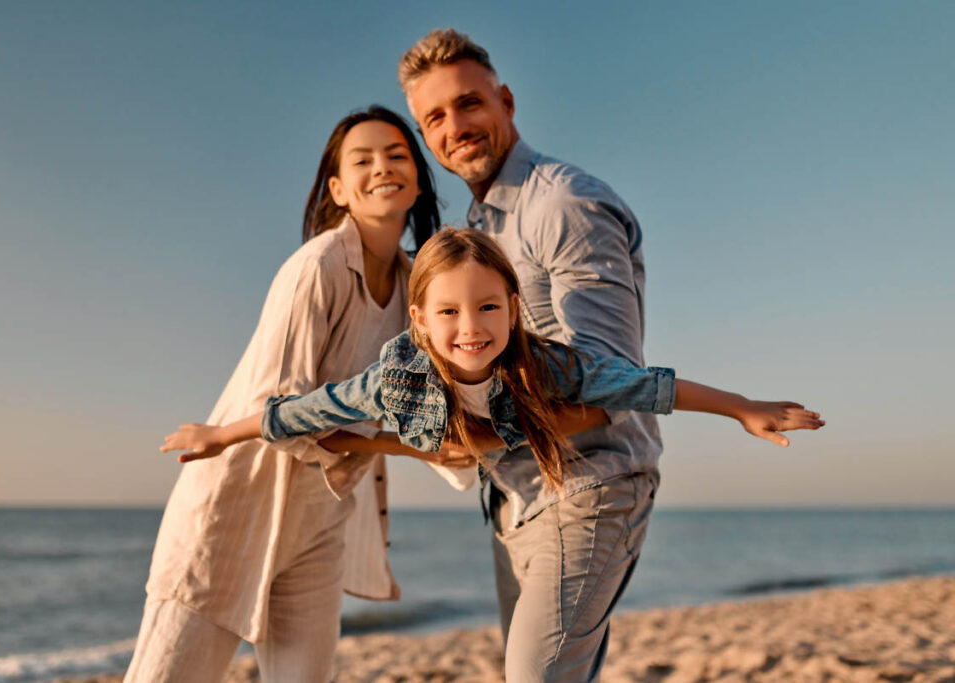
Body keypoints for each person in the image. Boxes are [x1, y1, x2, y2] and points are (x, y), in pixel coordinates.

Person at [393, 28, 813, 680]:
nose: (456, 126)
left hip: (591, 486)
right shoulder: (476, 233)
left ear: (506, 101)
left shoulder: (562, 203)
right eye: (435, 118)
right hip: (515, 496)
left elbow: (606, 392)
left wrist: (477, 437)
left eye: (469, 103)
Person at [125, 106, 469, 683]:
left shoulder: (420, 288)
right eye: (362, 160)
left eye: (397, 154)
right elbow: (281, 416)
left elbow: (430, 402)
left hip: (318, 524)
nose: (382, 166)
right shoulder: (318, 268)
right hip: (233, 509)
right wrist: (412, 450)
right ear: (338, 187)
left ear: (417, 177)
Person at [162, 227, 823, 513]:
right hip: (435, 434)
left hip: (511, 431)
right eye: (448, 311)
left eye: (486, 307)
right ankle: (369, 447)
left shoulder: (553, 366)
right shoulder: (394, 377)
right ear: (419, 320)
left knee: (495, 436)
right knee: (379, 438)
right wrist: (220, 435)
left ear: (512, 307)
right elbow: (308, 407)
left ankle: (380, 446)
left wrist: (742, 405)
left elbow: (649, 385)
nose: (470, 328)